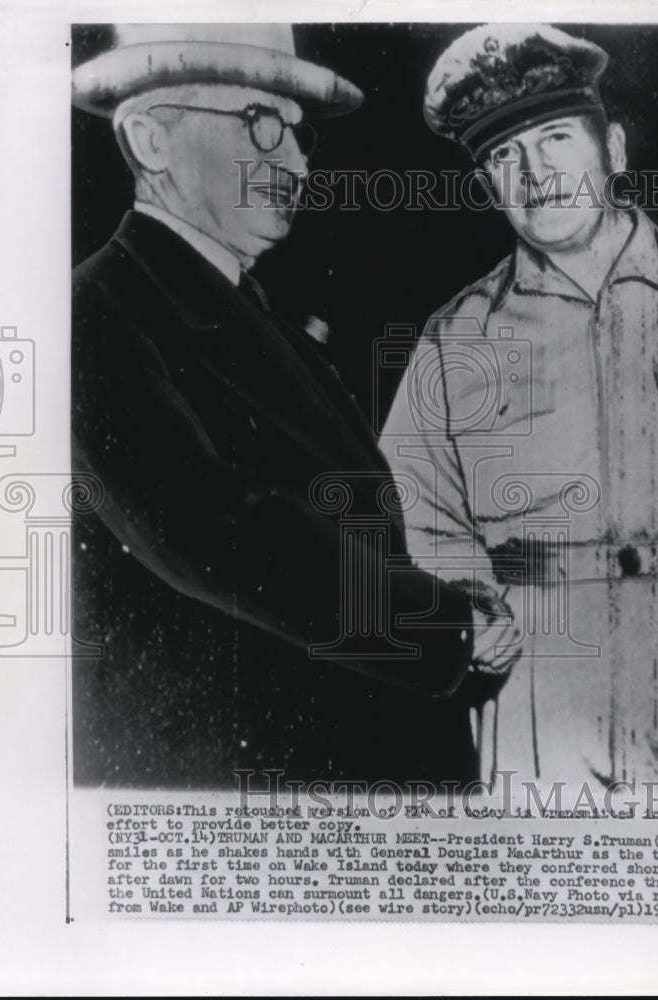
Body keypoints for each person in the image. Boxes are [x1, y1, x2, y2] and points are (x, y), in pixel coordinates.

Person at [70, 23, 500, 788]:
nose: (297, 162)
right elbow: (211, 528)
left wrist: (448, 617)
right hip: (236, 796)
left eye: (300, 136)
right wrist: (442, 626)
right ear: (149, 139)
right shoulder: (93, 311)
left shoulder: (247, 308)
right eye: (260, 123)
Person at [380, 24, 658, 795]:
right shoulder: (455, 339)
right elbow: (413, 521)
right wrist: (475, 621)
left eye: (552, 136)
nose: (533, 173)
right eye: (502, 156)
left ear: (612, 147)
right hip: (548, 694)